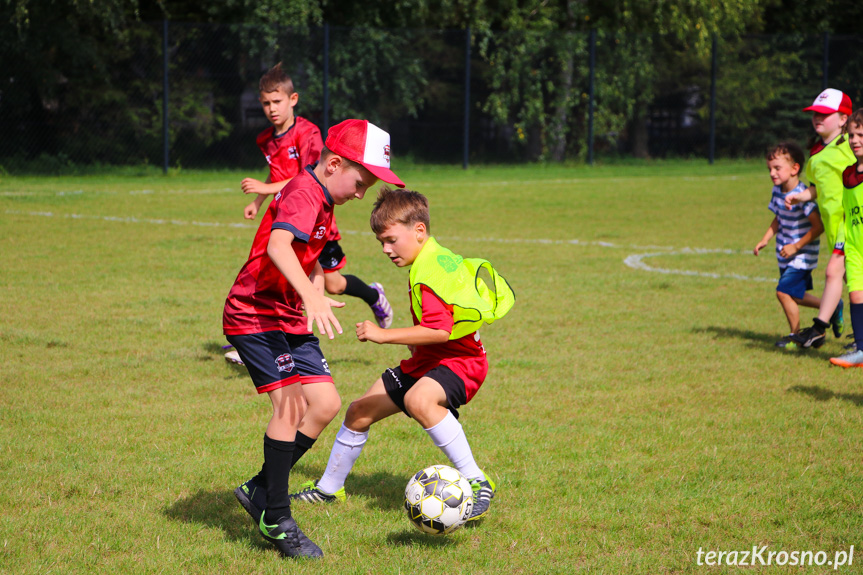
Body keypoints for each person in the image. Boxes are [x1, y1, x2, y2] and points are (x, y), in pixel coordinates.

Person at [223, 119, 405, 559]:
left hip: (287, 314)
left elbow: (314, 257)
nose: (361, 194)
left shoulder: (324, 200)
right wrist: (313, 297)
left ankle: (259, 488)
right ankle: (276, 517)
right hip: (254, 312)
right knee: (290, 406)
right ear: (334, 164)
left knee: (323, 405)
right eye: (360, 183)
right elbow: (278, 246)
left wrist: (318, 285)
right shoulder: (305, 193)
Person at [286, 187, 515, 523]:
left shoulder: (429, 271)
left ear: (418, 230)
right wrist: (415, 342)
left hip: (460, 362)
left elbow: (440, 330)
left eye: (391, 239)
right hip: (430, 359)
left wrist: (383, 335)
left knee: (420, 401)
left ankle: (477, 481)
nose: (385, 249)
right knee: (359, 412)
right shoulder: (431, 258)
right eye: (381, 242)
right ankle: (329, 489)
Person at [226, 64, 393, 368]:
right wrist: (260, 200)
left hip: (315, 221)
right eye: (265, 103)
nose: (270, 109)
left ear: (293, 99)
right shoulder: (267, 139)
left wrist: (265, 188)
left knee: (333, 284)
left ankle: (371, 294)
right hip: (288, 215)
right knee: (278, 268)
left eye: (276, 101)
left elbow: (307, 179)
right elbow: (282, 175)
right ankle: (261, 332)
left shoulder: (307, 135)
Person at [787, 89, 856, 348]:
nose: (818, 118)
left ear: (843, 119)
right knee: (853, 279)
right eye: (816, 113)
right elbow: (819, 187)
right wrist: (802, 196)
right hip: (834, 225)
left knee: (833, 271)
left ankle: (818, 328)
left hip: (851, 222)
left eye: (825, 114)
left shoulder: (850, 146)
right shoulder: (816, 154)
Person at [754, 142, 823, 348]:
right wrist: (765, 238)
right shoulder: (777, 192)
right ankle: (832, 306)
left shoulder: (804, 195)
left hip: (802, 255)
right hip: (784, 253)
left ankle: (795, 335)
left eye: (777, 168)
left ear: (795, 169)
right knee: (795, 296)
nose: (772, 173)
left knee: (783, 292)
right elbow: (778, 218)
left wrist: (796, 246)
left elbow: (818, 226)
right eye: (770, 169)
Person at [830, 110, 863, 366]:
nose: (854, 140)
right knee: (855, 295)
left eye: (860, 134)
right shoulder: (848, 174)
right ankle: (861, 349)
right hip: (854, 249)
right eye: (851, 134)